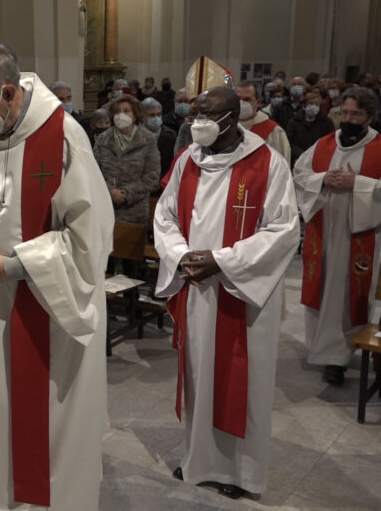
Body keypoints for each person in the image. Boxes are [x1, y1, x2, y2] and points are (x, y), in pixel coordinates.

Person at [0, 40, 113, 510]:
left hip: (51, 310)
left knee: (49, 420)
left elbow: (90, 240)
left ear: (9, 93)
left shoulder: (62, 137)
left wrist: (13, 265)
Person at [155, 87, 300, 499]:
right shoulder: (187, 160)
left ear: (233, 118)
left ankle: (240, 473)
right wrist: (182, 256)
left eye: (208, 114)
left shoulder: (267, 163)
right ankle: (199, 461)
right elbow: (164, 215)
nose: (197, 121)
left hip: (242, 290)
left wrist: (224, 261)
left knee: (245, 379)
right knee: (200, 375)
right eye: (195, 113)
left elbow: (283, 230)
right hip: (198, 288)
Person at [293, 87, 381, 386]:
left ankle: (338, 357)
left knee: (346, 293)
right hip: (323, 229)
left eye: (355, 114)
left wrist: (359, 183)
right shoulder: (323, 144)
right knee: (321, 286)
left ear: (370, 116)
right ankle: (322, 349)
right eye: (344, 112)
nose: (348, 118)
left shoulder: (379, 146)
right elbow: (299, 174)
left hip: (359, 234)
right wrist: (322, 179)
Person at [94, 94, 160, 224]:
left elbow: (152, 177)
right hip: (106, 208)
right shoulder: (103, 139)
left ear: (134, 115)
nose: (121, 114)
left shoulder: (148, 139)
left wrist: (126, 194)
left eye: (126, 111)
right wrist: (109, 192)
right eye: (117, 111)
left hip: (135, 212)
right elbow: (93, 172)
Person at [236, 81, 291, 163]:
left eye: (247, 99)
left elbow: (282, 164)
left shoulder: (273, 130)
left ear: (258, 103)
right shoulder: (228, 127)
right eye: (238, 99)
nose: (241, 103)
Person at [286, 91, 335, 163]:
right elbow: (289, 142)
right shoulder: (294, 122)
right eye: (311, 103)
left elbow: (331, 141)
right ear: (304, 106)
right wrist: (303, 154)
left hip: (320, 159)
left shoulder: (327, 122)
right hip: (299, 159)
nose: (314, 106)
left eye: (317, 104)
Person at [142, 97, 177, 180]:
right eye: (152, 115)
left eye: (158, 114)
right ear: (143, 117)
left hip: (163, 181)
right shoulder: (136, 135)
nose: (156, 118)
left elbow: (172, 162)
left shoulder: (170, 135)